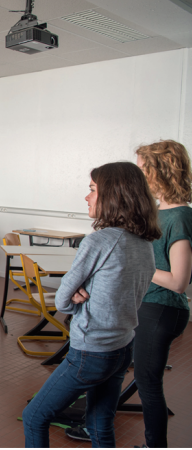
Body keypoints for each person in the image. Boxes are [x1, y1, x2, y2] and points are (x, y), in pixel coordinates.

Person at [22, 162, 161, 449]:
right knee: (99, 424)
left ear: (114, 195)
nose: (87, 197)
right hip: (122, 348)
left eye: (92, 190)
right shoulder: (144, 242)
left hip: (91, 351)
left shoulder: (99, 241)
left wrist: (74, 300)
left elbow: (62, 298)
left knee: (34, 416)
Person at [134, 140, 191, 449]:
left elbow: (179, 281)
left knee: (148, 382)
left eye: (142, 168)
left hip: (163, 308)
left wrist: (137, 263)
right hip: (148, 304)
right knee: (140, 375)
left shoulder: (179, 217)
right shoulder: (158, 212)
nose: (139, 174)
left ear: (160, 171)